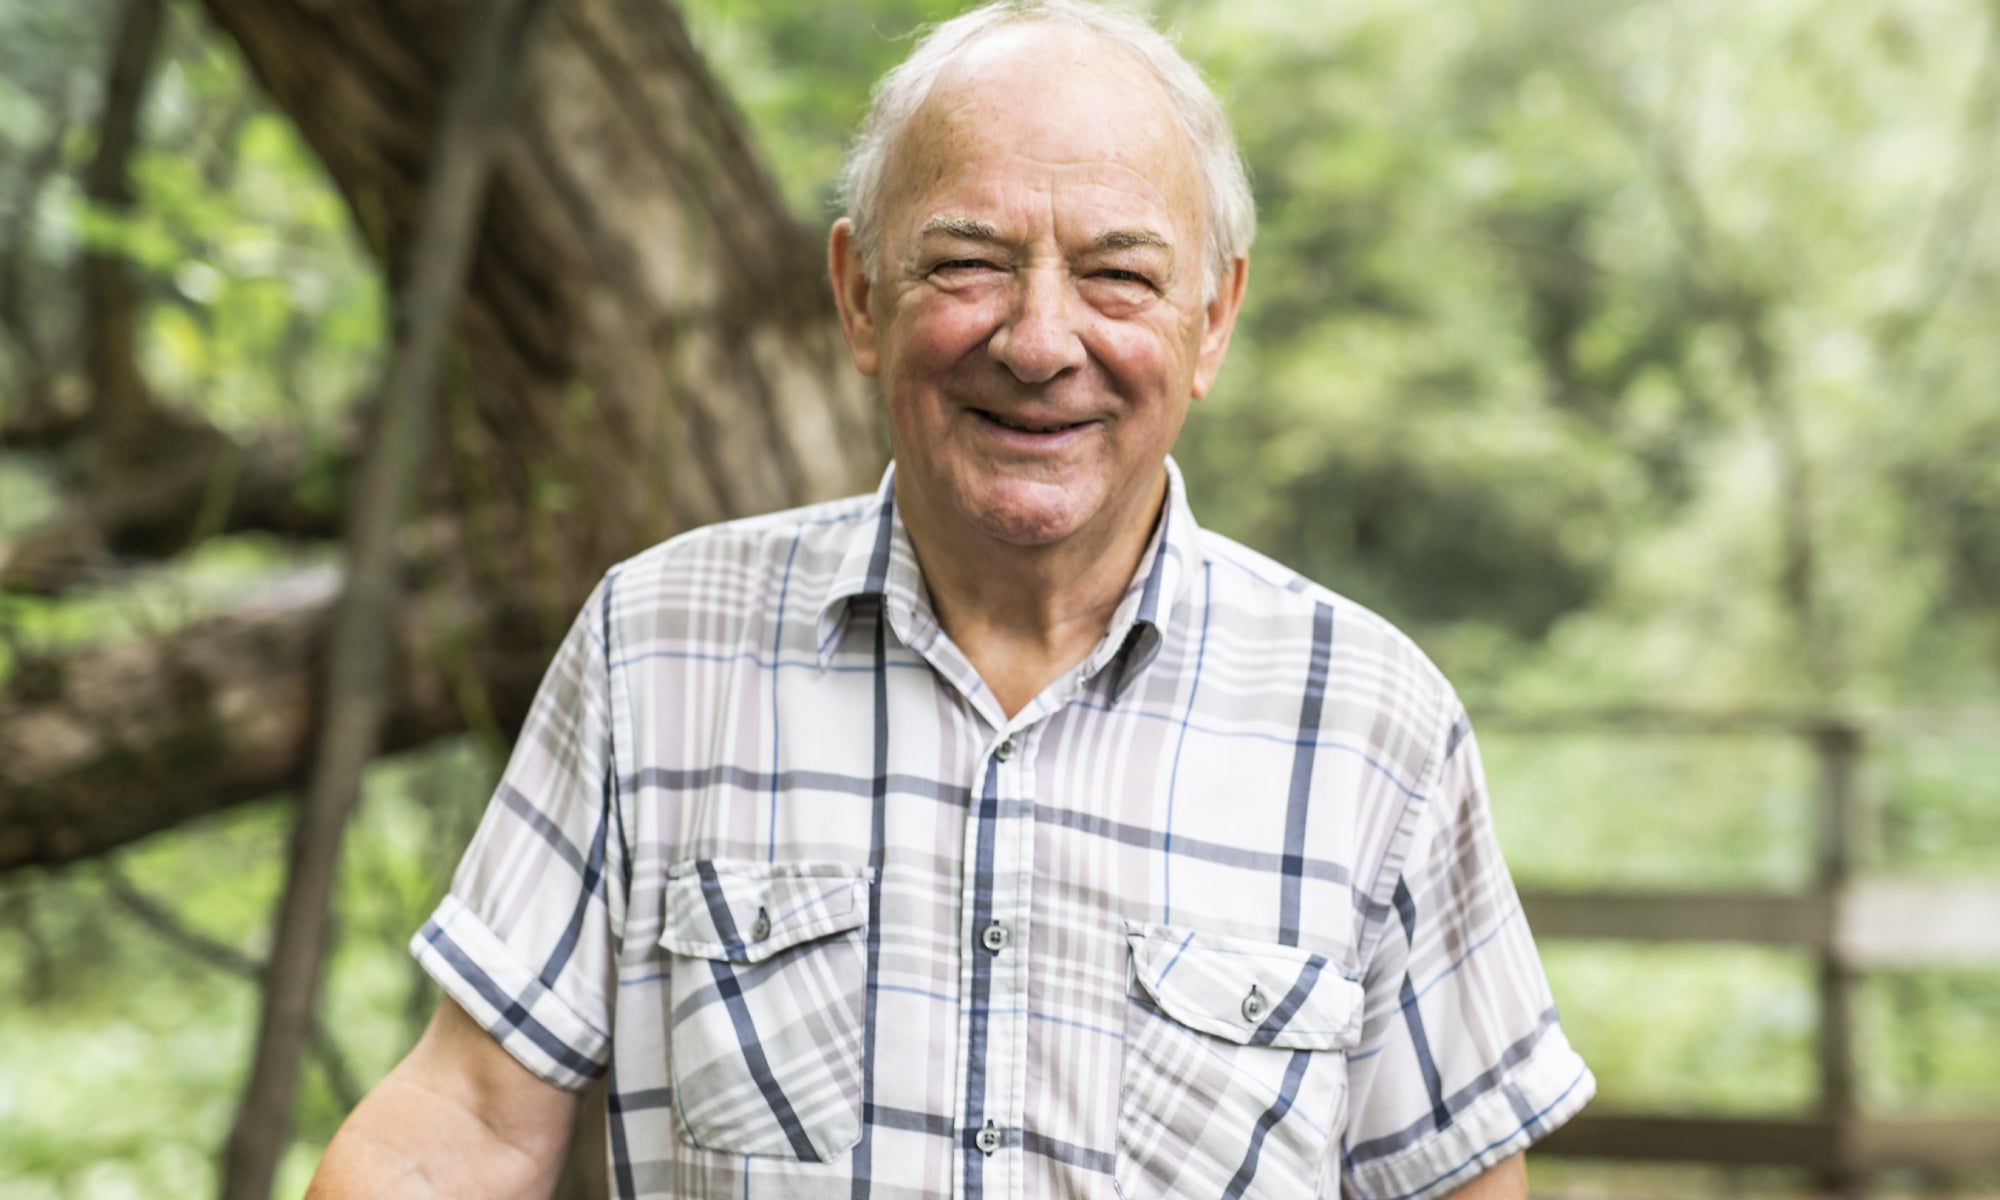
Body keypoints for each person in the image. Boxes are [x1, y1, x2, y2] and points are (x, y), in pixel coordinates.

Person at [307, 2, 1593, 1197]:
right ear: (860, 294)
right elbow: (466, 1124)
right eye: (969, 262)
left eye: (1117, 277)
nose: (1038, 343)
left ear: (1211, 320)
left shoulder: (1375, 727)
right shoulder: (657, 646)